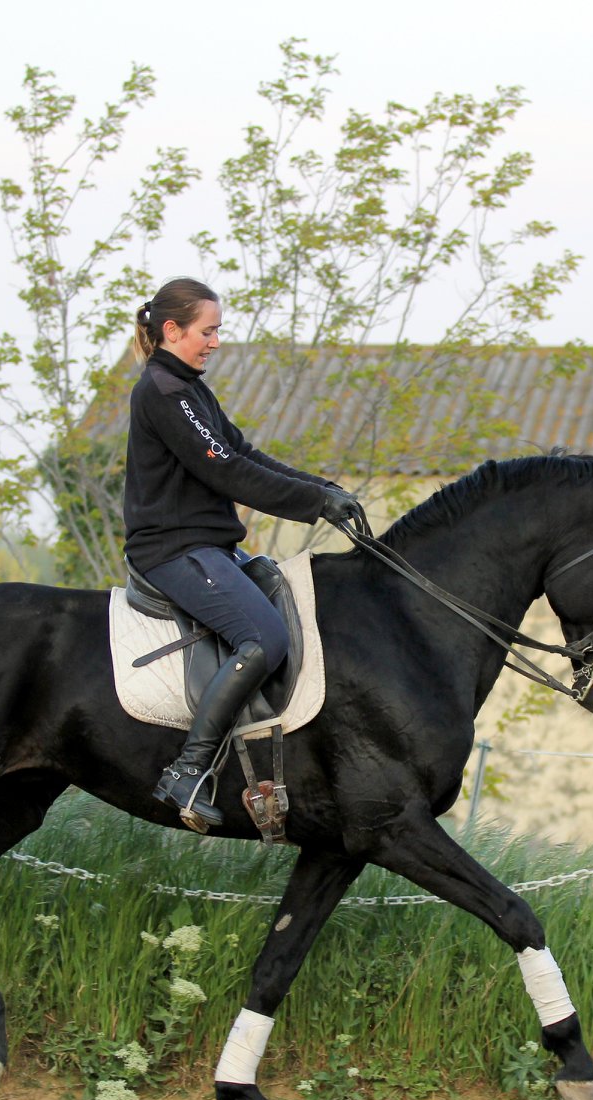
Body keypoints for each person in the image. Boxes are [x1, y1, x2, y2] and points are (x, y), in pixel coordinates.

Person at [123, 277, 365, 829]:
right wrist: (313, 503)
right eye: (207, 332)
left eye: (217, 332)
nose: (214, 342)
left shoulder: (190, 387)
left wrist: (323, 488)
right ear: (172, 330)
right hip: (173, 550)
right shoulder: (163, 391)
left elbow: (243, 452)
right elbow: (225, 470)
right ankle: (187, 770)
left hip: (207, 547)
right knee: (265, 639)